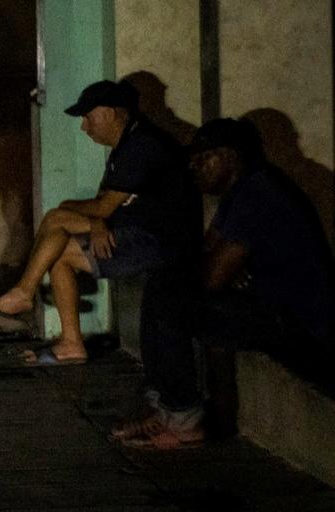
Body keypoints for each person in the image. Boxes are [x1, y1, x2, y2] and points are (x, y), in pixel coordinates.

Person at [112, 118, 335, 449]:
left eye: (204, 159)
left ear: (230, 157)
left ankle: (183, 418)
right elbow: (206, 252)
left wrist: (225, 266)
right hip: (266, 305)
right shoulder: (240, 192)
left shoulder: (259, 191)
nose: (194, 167)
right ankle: (167, 410)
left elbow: (211, 277)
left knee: (171, 300)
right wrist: (226, 265)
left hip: (296, 322)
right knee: (163, 283)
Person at [0, 80, 198, 365]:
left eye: (89, 117)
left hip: (158, 241)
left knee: (57, 227)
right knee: (57, 237)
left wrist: (95, 217)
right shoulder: (128, 145)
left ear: (110, 114)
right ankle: (61, 333)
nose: (85, 127)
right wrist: (95, 221)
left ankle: (26, 294)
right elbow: (104, 205)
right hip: (136, 229)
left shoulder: (142, 145)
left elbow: (103, 207)